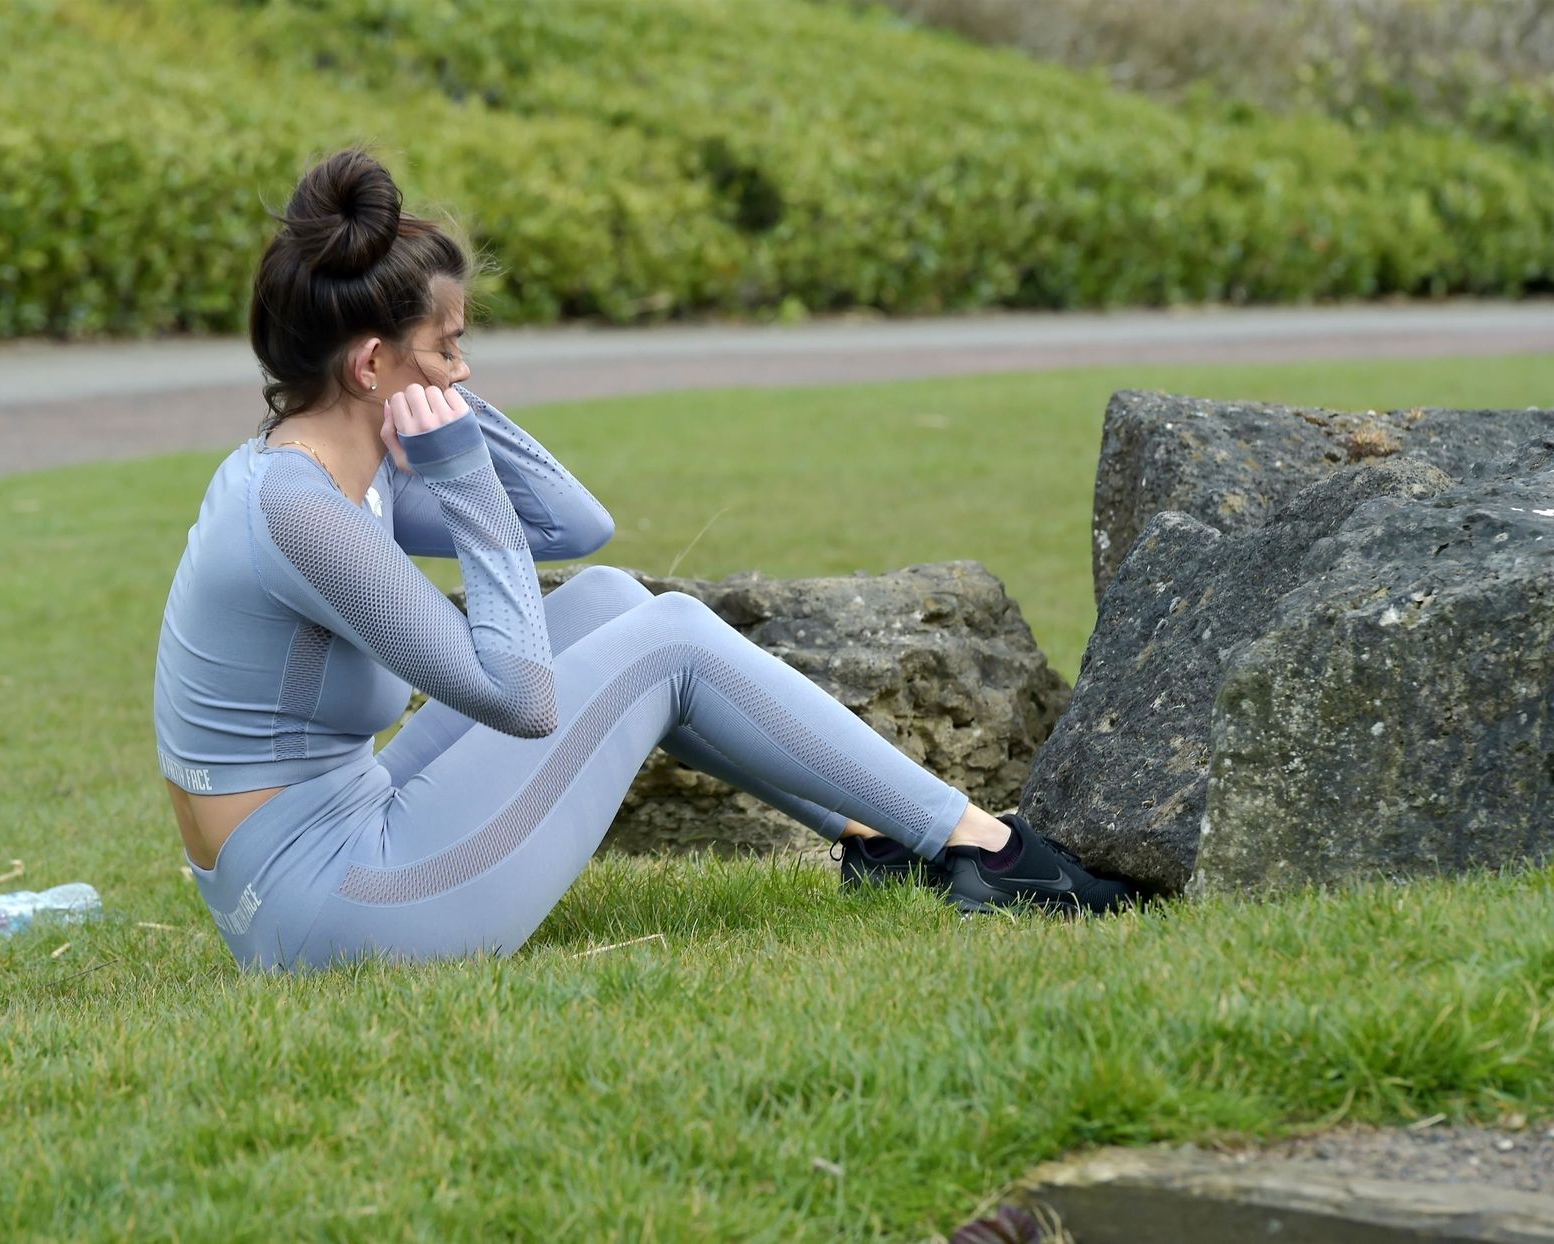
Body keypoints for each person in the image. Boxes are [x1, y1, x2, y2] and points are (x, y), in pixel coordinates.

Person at [152, 146, 1132, 974]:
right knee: (666, 642)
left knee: (612, 599)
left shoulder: (327, 462)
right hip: (332, 909)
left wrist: (451, 406)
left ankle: (878, 839)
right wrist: (462, 473)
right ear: (372, 366)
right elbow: (523, 696)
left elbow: (578, 523)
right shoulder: (301, 515)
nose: (465, 369)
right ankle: (990, 851)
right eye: (448, 349)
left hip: (331, 845)